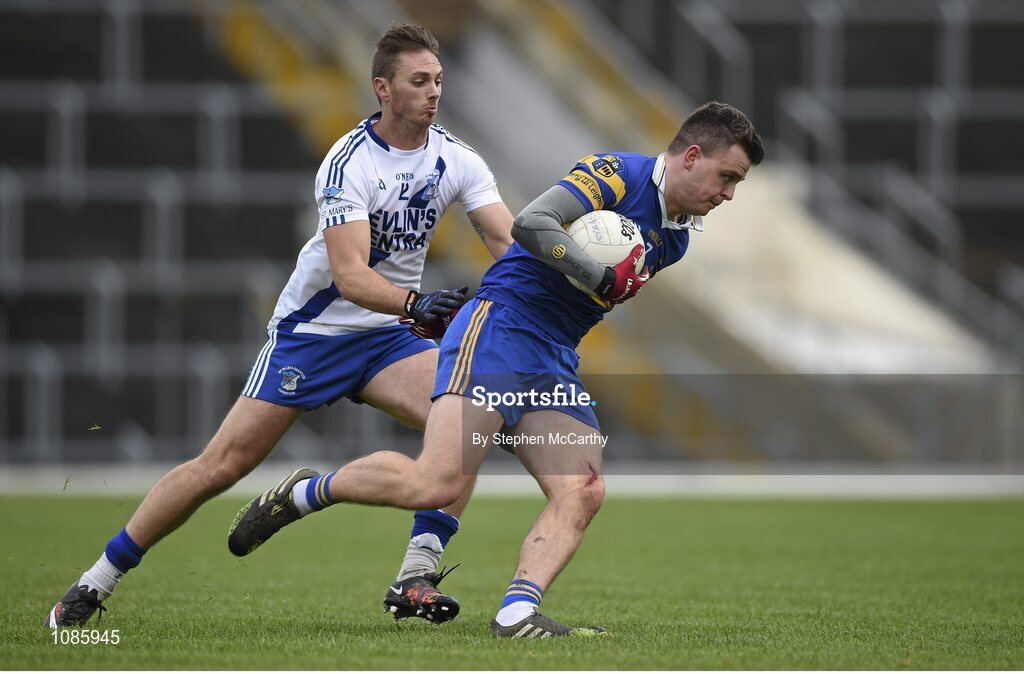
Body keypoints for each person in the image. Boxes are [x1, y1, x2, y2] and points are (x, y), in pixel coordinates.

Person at [231, 101, 764, 637]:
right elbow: (533, 222)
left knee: (583, 487)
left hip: (553, 354)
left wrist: (596, 282)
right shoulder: (618, 173)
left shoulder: (676, 237)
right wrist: (593, 270)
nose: (728, 194)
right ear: (692, 156)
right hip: (499, 329)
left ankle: (517, 614)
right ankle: (305, 492)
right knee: (436, 482)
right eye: (728, 177)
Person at [44, 23, 515, 628]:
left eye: (438, 81)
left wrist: (562, 280)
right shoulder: (347, 163)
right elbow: (349, 276)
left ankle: (414, 577)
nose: (433, 93)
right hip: (312, 336)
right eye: (419, 82)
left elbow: (506, 241)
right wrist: (416, 304)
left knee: (469, 423)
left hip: (387, 336)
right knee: (220, 467)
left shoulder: (458, 158)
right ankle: (93, 583)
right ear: (383, 89)